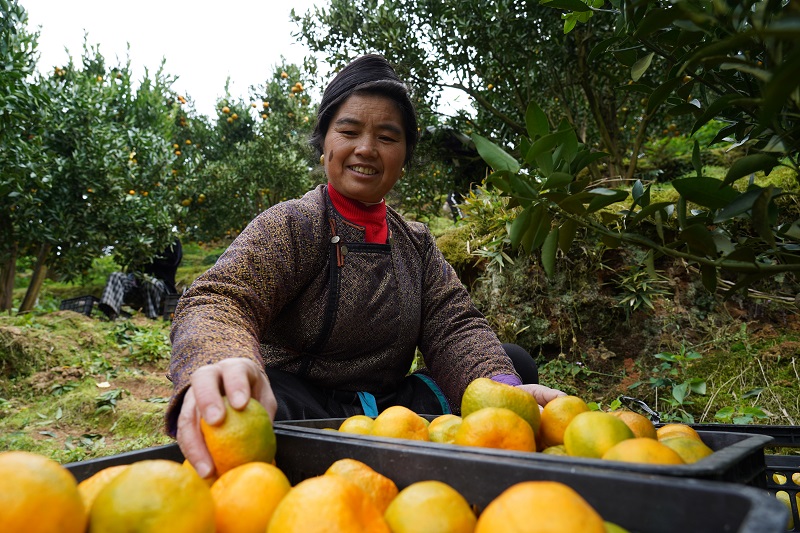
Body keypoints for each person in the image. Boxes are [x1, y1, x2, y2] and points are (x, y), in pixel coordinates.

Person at [166, 54, 564, 479]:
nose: (366, 149)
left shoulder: (416, 243)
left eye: (387, 137)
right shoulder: (293, 224)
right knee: (249, 399)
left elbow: (455, 327)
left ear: (405, 155)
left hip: (393, 408)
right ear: (325, 145)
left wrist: (500, 392)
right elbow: (221, 298)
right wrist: (222, 358)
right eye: (349, 130)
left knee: (512, 364)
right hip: (304, 407)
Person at [98, 237, 183, 320]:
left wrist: (150, 254)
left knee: (149, 282)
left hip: (162, 291)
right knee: (116, 276)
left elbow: (173, 261)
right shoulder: (140, 240)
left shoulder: (172, 240)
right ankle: (111, 312)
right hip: (137, 289)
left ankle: (152, 318)